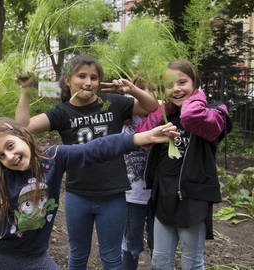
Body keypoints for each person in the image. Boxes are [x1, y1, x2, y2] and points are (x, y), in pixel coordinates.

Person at [0, 117, 178, 270]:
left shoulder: (55, 158)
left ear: (25, 137)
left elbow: (96, 149)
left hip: (37, 257)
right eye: (2, 155)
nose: (10, 156)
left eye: (12, 146)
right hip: (0, 254)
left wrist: (142, 137)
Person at [15, 55, 159, 270]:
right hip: (77, 194)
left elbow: (151, 106)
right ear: (67, 80)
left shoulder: (114, 103)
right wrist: (26, 90)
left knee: (111, 258)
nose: (88, 82)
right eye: (81, 76)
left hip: (113, 194)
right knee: (77, 255)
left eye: (94, 77)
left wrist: (133, 89)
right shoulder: (62, 112)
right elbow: (23, 126)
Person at [136, 59, 231, 269]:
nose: (176, 89)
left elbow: (191, 116)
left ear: (195, 83)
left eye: (182, 82)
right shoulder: (166, 115)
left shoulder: (214, 113)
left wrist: (196, 97)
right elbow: (141, 135)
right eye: (169, 84)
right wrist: (163, 109)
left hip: (194, 198)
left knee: (191, 262)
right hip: (164, 196)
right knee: (159, 261)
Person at [121, 76, 155, 270]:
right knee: (130, 245)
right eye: (141, 88)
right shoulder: (122, 118)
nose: (147, 94)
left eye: (152, 89)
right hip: (131, 195)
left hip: (158, 195)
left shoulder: (165, 117)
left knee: (158, 246)